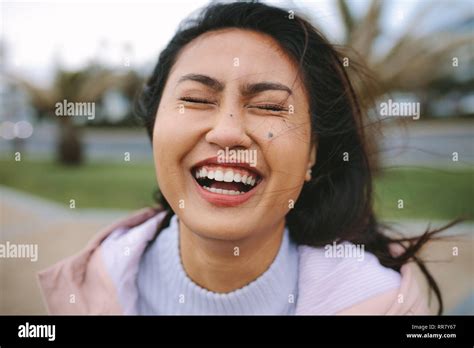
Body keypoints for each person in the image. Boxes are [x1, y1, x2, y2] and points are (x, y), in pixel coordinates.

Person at [38, 1, 449, 315]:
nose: (228, 131)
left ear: (312, 154)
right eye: (196, 100)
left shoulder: (378, 303)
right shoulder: (91, 287)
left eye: (270, 106)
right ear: (154, 130)